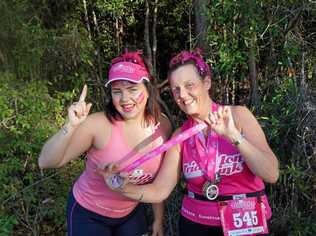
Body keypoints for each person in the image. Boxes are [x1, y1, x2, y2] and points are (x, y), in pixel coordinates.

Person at [101, 49, 279, 236]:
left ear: (206, 82)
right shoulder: (180, 136)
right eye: (176, 89)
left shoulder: (238, 116)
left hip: (246, 223)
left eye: (189, 85)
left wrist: (234, 137)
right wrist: (120, 186)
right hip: (196, 223)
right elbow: (160, 190)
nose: (183, 95)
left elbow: (271, 173)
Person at [38, 50, 172, 236]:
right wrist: (70, 126)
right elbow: (46, 161)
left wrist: (158, 219)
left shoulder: (162, 125)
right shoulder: (98, 125)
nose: (125, 99)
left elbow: (157, 179)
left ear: (148, 90)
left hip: (131, 213)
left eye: (133, 89)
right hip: (89, 213)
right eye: (117, 91)